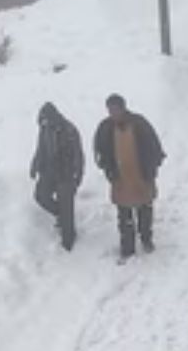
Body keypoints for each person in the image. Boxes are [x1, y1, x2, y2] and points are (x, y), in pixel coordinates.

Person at [92, 94, 165, 261]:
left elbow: (153, 146)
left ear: (123, 108)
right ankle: (127, 247)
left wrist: (152, 168)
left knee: (144, 209)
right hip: (120, 178)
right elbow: (100, 151)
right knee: (124, 214)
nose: (112, 113)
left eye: (115, 109)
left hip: (141, 175)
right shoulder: (105, 128)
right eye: (110, 109)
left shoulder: (139, 124)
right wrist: (107, 169)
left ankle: (146, 238)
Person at [30, 102, 84, 251]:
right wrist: (34, 166)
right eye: (42, 121)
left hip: (66, 174)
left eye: (46, 120)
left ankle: (69, 241)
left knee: (67, 207)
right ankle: (60, 213)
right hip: (48, 171)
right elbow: (40, 149)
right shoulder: (44, 129)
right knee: (40, 196)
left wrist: (78, 175)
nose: (44, 123)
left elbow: (78, 155)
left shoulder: (69, 130)